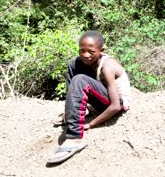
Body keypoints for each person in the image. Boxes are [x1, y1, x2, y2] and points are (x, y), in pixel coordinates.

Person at [47, 30, 131, 164]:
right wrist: (69, 112)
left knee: (80, 80)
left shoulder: (107, 67)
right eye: (82, 50)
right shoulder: (83, 61)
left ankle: (75, 137)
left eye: (91, 52)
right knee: (73, 63)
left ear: (101, 50)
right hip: (102, 99)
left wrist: (91, 124)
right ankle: (74, 111)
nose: (86, 55)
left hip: (117, 105)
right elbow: (78, 68)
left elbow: (115, 106)